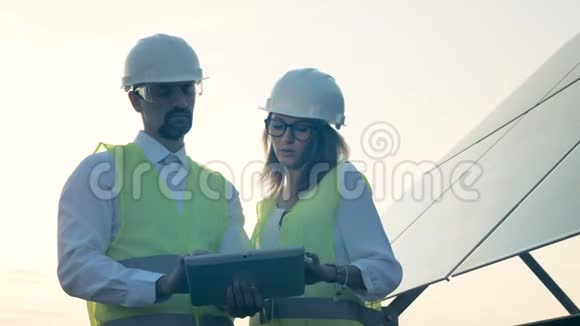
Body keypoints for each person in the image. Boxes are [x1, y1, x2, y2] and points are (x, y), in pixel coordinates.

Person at [57, 34, 262, 326]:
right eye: (162, 92)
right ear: (135, 100)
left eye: (186, 89)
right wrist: (160, 285)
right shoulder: (100, 173)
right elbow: (76, 268)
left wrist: (242, 296)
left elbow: (238, 276)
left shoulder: (220, 189)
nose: (180, 101)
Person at [250, 68, 403, 326]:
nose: (286, 138)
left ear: (322, 135)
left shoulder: (344, 181)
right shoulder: (267, 208)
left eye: (300, 129)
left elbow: (385, 271)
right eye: (278, 125)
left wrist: (328, 273)